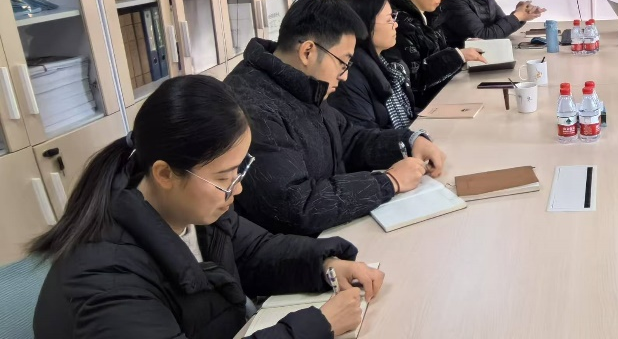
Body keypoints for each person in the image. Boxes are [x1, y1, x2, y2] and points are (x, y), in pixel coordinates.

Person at [31, 75, 383, 339]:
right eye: (225, 176)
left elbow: (254, 252)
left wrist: (325, 265)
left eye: (239, 169)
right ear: (165, 174)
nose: (237, 188)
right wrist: (318, 326)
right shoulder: (106, 276)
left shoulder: (192, 205)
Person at [225, 0, 446, 236]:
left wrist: (407, 142)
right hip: (298, 248)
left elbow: (347, 138)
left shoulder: (301, 83)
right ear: (308, 52)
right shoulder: (251, 107)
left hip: (332, 233)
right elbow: (295, 205)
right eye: (343, 63)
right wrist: (388, 182)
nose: (345, 76)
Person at [389, 0, 486, 108]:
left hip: (443, 92)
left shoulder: (429, 15)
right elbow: (415, 79)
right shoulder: (398, 25)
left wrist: (463, 51)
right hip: (425, 105)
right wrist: (458, 56)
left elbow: (438, 53)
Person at [330, 0, 430, 129]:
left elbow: (408, 114)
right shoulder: (348, 76)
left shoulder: (390, 64)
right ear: (364, 25)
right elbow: (365, 135)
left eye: (394, 17)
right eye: (389, 19)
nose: (395, 24)